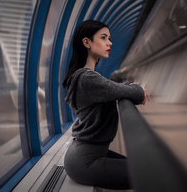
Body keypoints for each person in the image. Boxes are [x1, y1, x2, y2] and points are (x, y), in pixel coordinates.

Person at [62, 20, 150, 190]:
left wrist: (128, 88)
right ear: (87, 42)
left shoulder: (88, 76)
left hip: (87, 154)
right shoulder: (88, 78)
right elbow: (133, 93)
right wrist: (136, 89)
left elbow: (116, 88)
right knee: (149, 175)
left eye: (109, 38)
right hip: (85, 161)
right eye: (103, 38)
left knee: (145, 169)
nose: (109, 43)